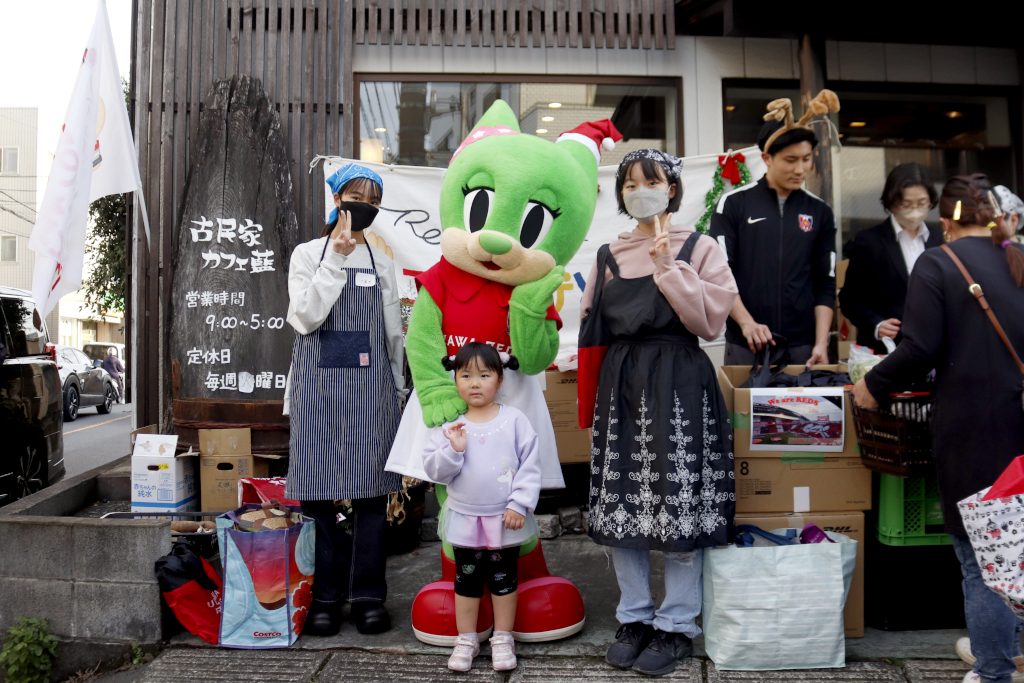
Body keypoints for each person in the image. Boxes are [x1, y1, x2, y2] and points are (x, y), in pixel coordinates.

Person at [853, 174, 1024, 683]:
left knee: (983, 558)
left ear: (946, 220)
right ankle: (1004, 651)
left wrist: (872, 386)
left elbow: (919, 347)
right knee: (1018, 547)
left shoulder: (940, 262)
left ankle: (993, 669)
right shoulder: (1016, 258)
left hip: (977, 431)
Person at [581, 150, 738, 677]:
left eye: (651, 181)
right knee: (623, 498)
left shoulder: (702, 246)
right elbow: (590, 331)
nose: (639, 189)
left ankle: (676, 625)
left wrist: (670, 265)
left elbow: (710, 323)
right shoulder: (606, 254)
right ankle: (634, 617)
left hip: (680, 384)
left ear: (672, 188)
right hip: (622, 385)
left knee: (678, 501)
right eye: (629, 183)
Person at [284, 163, 405, 636]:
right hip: (318, 393)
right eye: (356, 197)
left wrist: (397, 390)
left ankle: (370, 597)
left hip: (371, 390)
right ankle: (326, 598)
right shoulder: (306, 255)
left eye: (373, 201)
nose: (365, 207)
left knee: (374, 499)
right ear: (336, 201)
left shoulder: (383, 261)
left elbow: (394, 334)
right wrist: (335, 256)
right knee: (317, 498)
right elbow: (305, 319)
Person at [421, 342, 541, 673]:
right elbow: (435, 471)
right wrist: (454, 451)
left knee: (504, 578)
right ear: (455, 380)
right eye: (466, 375)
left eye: (484, 375)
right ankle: (467, 638)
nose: (475, 383)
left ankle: (502, 637)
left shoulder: (515, 421)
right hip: (465, 519)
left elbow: (531, 465)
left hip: (505, 518)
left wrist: (520, 503)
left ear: (499, 380)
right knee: (467, 580)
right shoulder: (451, 425)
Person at [711, 93, 839, 367]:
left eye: (806, 159)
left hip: (804, 348)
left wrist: (820, 342)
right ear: (767, 158)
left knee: (804, 411)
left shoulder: (821, 212)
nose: (800, 169)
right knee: (743, 412)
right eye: (790, 159)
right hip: (747, 342)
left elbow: (825, 282)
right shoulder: (734, 203)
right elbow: (719, 273)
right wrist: (746, 323)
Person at [839, 163, 943, 354]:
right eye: (906, 205)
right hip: (887, 349)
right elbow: (849, 299)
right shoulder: (870, 242)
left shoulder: (940, 240)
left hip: (934, 348)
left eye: (922, 204)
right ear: (891, 203)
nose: (914, 211)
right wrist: (877, 324)